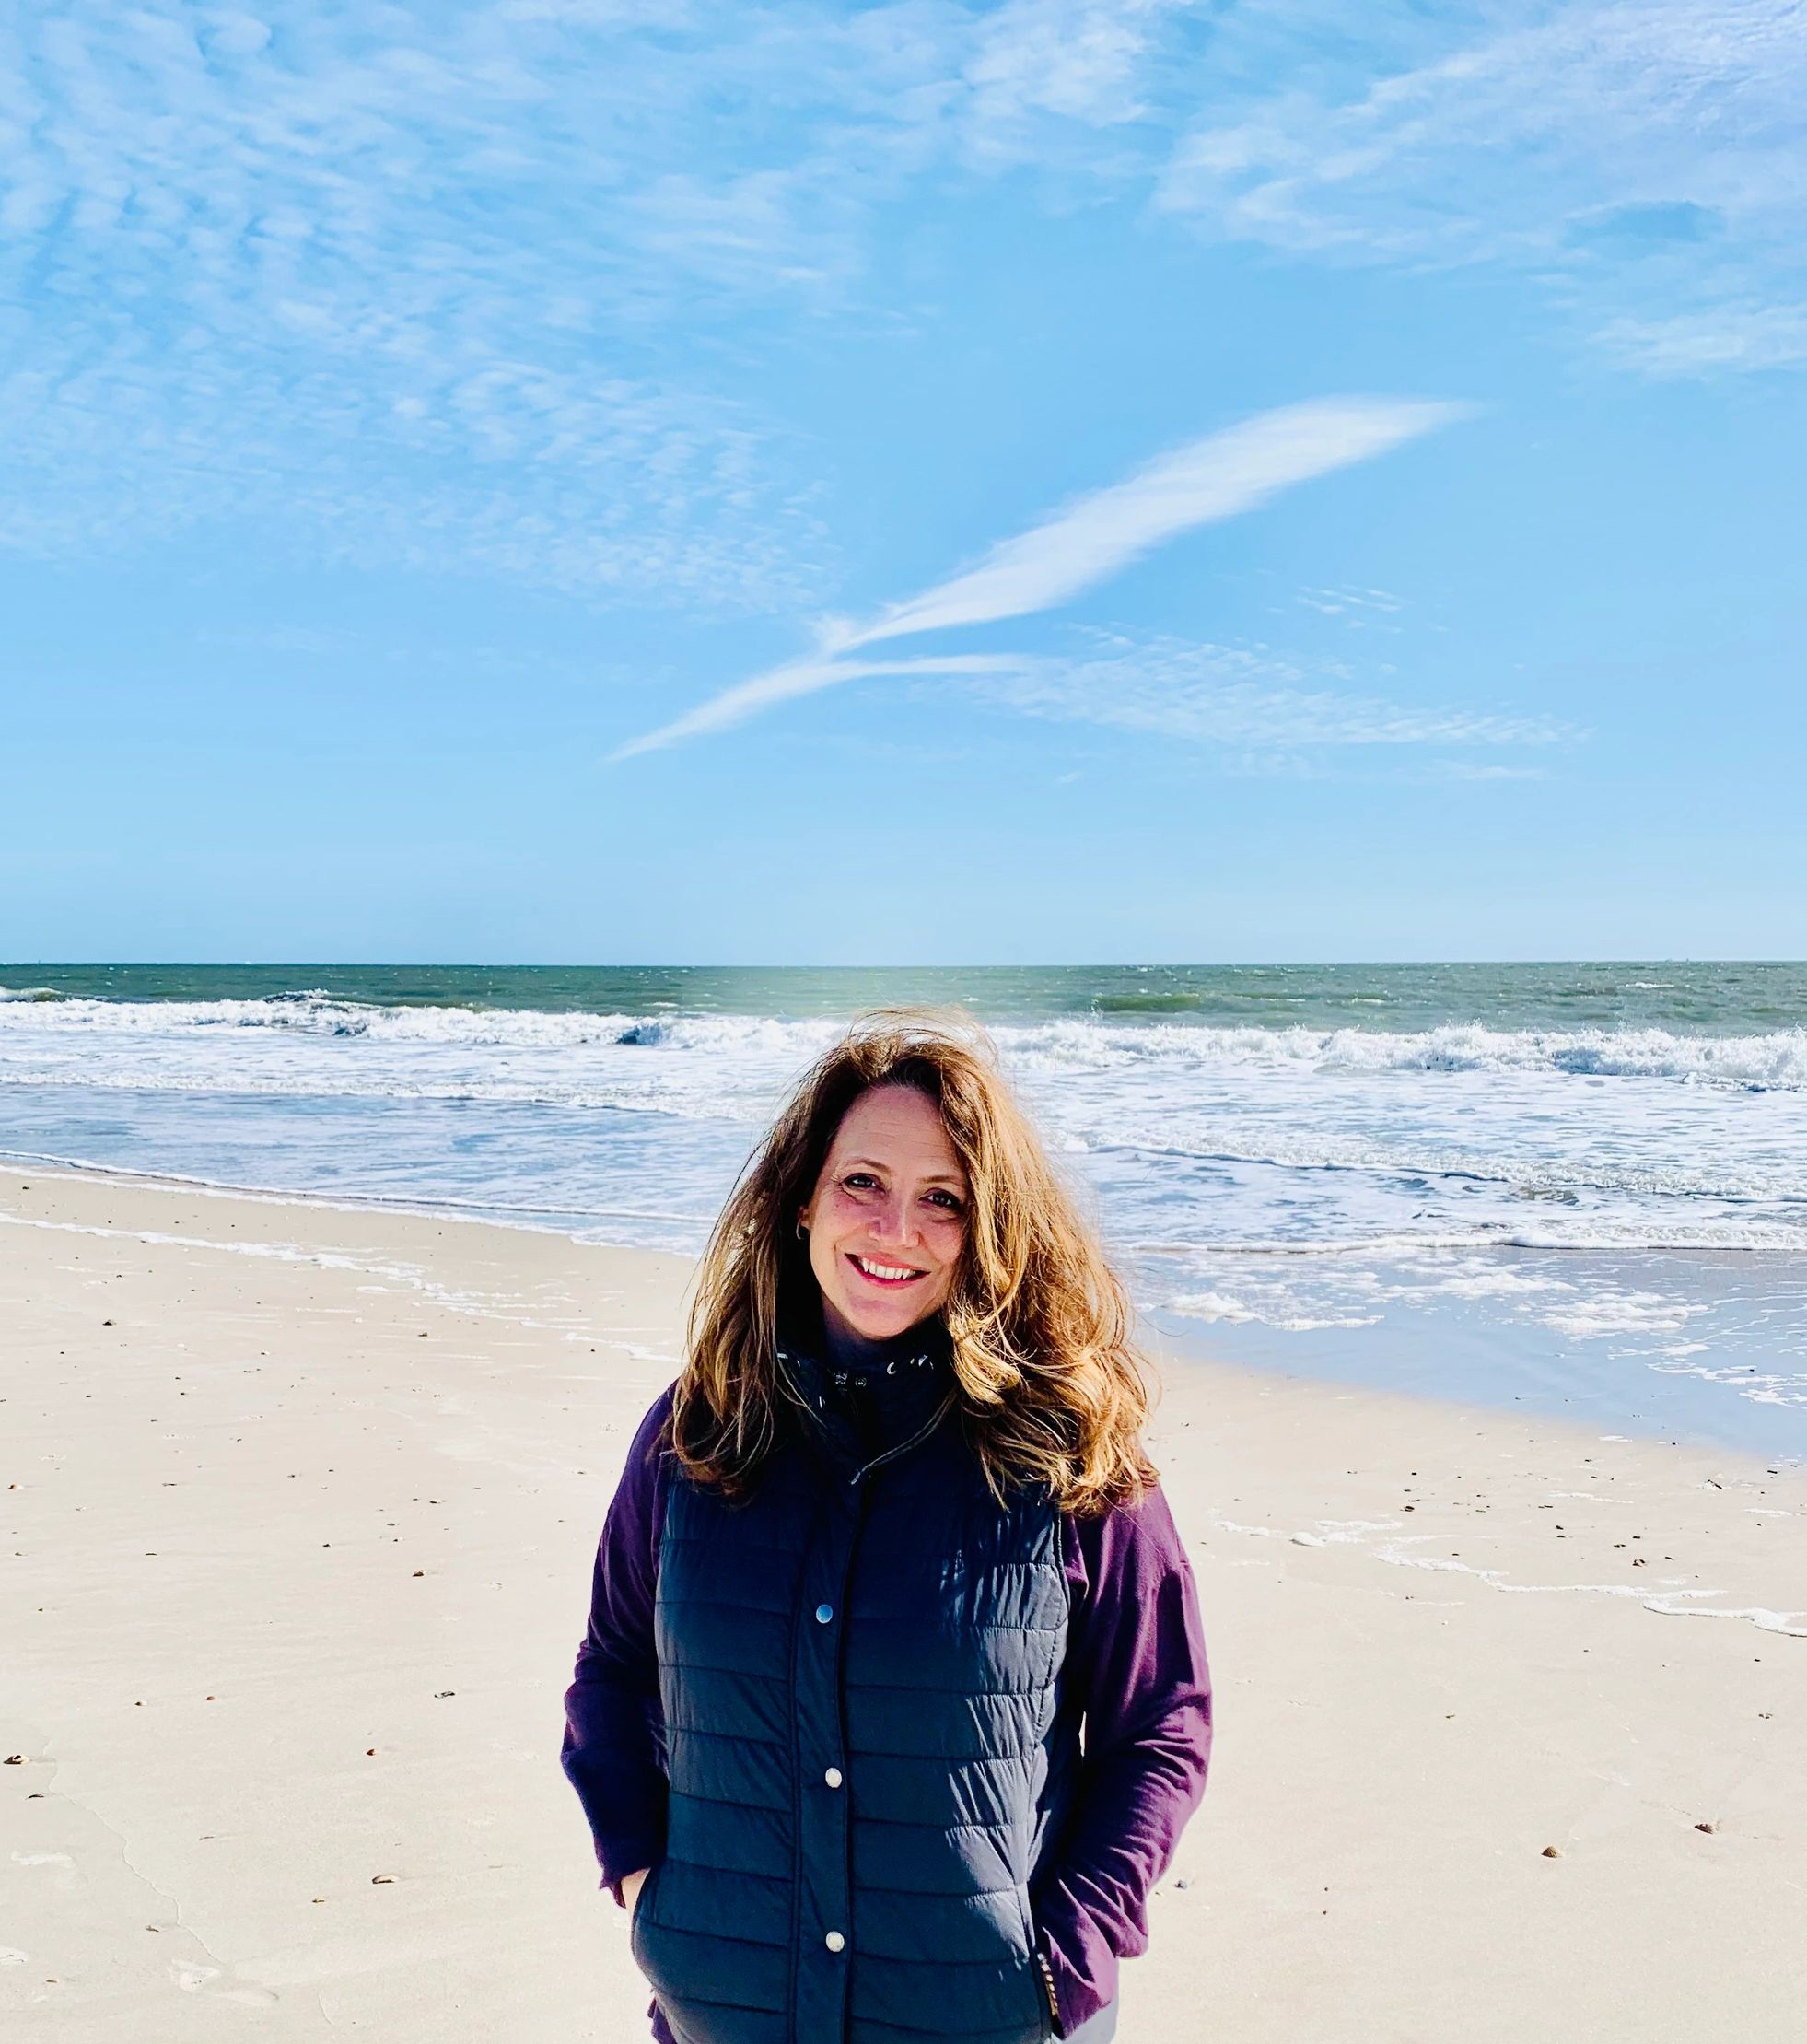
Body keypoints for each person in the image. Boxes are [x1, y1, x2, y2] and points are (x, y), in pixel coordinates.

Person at [561, 1011, 1211, 2042]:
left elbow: (1160, 1722)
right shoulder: (695, 1432)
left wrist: (1075, 1943)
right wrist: (650, 1888)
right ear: (802, 1200)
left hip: (984, 2017)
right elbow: (614, 1666)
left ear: (993, 1225)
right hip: (730, 2013)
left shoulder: (1072, 1455)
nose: (894, 1227)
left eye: (942, 1198)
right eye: (863, 1181)